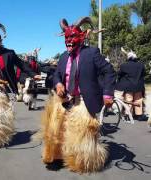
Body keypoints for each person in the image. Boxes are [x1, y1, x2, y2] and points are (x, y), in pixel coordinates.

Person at [39, 17, 116, 173]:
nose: (69, 40)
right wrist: (58, 84)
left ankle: (82, 161)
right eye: (66, 37)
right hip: (65, 98)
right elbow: (57, 76)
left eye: (72, 37)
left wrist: (107, 94)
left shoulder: (92, 53)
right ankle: (59, 156)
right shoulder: (63, 57)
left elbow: (108, 71)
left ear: (81, 36)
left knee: (82, 133)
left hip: (83, 100)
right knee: (57, 128)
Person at [115, 48, 146, 120]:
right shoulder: (141, 65)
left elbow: (119, 74)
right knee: (138, 100)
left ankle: (128, 114)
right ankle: (139, 115)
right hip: (138, 85)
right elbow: (144, 74)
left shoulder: (124, 65)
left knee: (129, 100)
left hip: (128, 86)